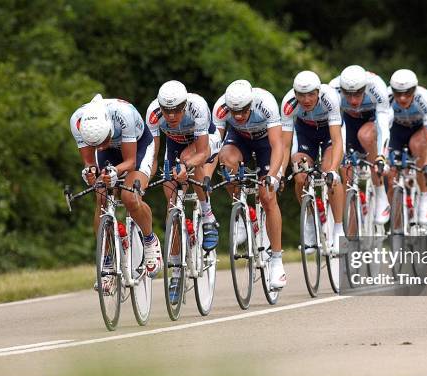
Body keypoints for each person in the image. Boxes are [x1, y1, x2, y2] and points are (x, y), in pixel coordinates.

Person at [70, 94, 162, 292]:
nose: (101, 146)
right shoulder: (78, 121)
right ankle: (107, 260)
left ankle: (149, 240)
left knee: (130, 196)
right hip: (110, 152)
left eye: (104, 140)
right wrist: (91, 172)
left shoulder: (124, 115)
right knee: (101, 197)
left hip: (137, 147)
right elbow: (89, 162)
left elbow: (129, 162)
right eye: (97, 144)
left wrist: (115, 172)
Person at [145, 80, 220, 303]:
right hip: (175, 146)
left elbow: (203, 150)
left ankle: (207, 214)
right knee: (171, 203)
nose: (171, 115)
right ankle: (177, 271)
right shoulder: (153, 114)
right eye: (166, 110)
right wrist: (146, 176)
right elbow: (154, 155)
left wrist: (185, 167)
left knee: (189, 160)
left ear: (185, 106)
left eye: (177, 110)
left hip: (206, 143)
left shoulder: (197, 107)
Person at [213, 80, 286, 289]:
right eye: (233, 111)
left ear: (251, 104)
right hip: (239, 139)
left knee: (268, 196)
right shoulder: (220, 107)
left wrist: (272, 175)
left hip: (266, 143)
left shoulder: (266, 103)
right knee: (225, 160)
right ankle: (240, 214)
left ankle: (277, 261)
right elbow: (214, 145)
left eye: (243, 111)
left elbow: (277, 145)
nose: (237, 116)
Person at [281, 71, 345, 254]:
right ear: (295, 93)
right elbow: (285, 146)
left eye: (311, 94)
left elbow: (337, 139)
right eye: (301, 95)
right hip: (305, 134)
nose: (306, 99)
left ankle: (339, 229)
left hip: (329, 132)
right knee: (300, 175)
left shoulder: (330, 98)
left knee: (329, 171)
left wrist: (333, 169)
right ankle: (310, 222)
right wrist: (280, 173)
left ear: (318, 91)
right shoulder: (288, 103)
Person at [329, 65, 392, 224]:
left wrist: (381, 156)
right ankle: (348, 230)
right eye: (348, 95)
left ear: (365, 88)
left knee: (365, 135)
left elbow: (383, 124)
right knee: (344, 168)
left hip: (373, 119)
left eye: (357, 94)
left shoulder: (377, 86)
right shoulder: (333, 88)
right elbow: (336, 125)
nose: (353, 100)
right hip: (348, 121)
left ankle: (380, 192)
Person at [387, 69, 427, 225]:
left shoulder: (424, 98)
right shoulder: (386, 96)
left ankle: (424, 197)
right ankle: (395, 220)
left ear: (415, 89)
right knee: (391, 173)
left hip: (418, 131)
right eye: (398, 93)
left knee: (419, 154)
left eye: (407, 93)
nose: (402, 98)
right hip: (397, 130)